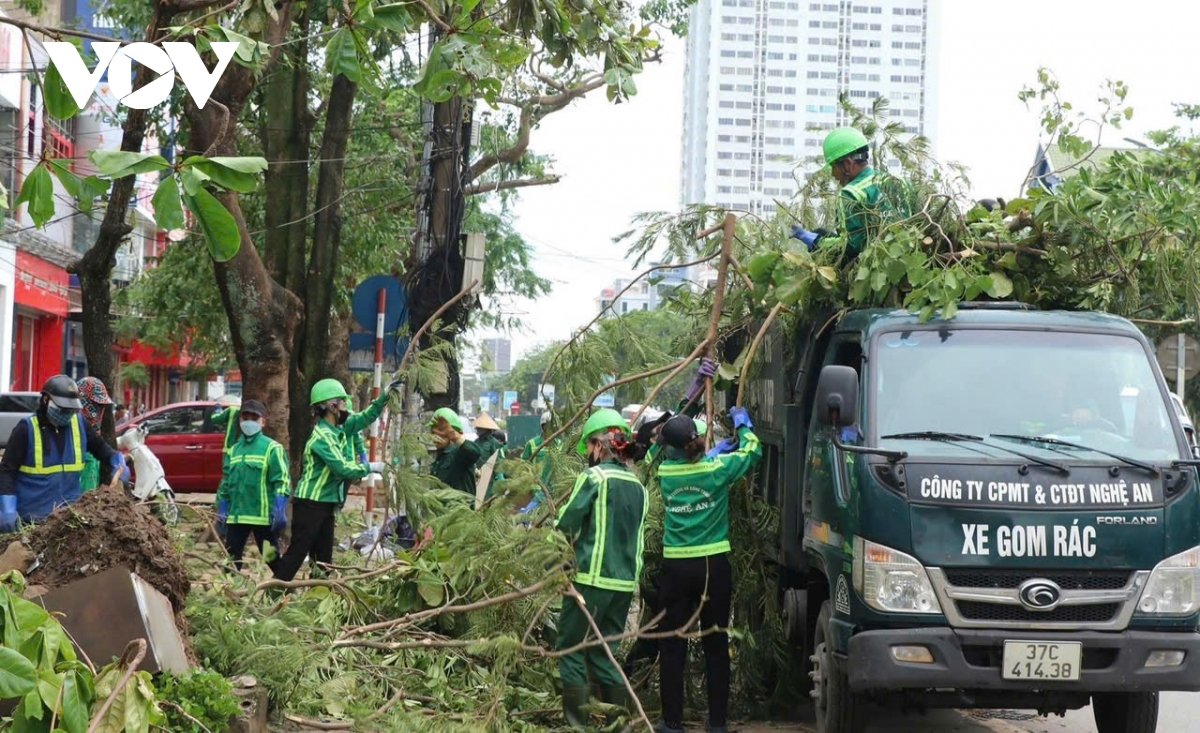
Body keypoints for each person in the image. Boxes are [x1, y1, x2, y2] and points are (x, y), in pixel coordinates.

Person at [653, 407, 763, 733]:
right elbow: (753, 451)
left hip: (677, 567)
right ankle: (717, 723)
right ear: (699, 442)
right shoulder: (718, 468)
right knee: (716, 645)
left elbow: (683, 462)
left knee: (673, 644)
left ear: (670, 450)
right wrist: (743, 427)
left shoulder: (665, 474)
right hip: (713, 566)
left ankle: (672, 722)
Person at [555, 408, 648, 730]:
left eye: (589, 447)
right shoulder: (638, 486)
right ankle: (618, 726)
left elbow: (565, 522)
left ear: (598, 446)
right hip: (623, 585)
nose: (588, 455)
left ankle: (577, 726)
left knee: (570, 650)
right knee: (604, 654)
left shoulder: (594, 477)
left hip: (589, 581)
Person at [271, 378, 394, 581]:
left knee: (323, 560)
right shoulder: (322, 437)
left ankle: (317, 597)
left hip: (325, 504)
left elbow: (365, 417)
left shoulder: (340, 429)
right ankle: (271, 594)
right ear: (332, 406)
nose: (347, 407)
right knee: (297, 554)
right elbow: (342, 468)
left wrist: (384, 397)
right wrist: (371, 467)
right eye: (343, 403)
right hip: (310, 504)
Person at [0, 376, 122, 531]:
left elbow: (103, 450)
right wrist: (7, 508)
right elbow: (6, 471)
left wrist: (116, 459)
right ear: (45, 400)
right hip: (31, 522)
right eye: (62, 409)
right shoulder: (26, 429)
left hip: (67, 523)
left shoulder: (79, 425)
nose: (66, 414)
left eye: (70, 410)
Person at [215, 400, 290, 571]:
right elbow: (226, 482)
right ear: (239, 420)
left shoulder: (272, 448)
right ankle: (230, 593)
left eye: (254, 418)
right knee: (232, 559)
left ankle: (283, 590)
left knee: (271, 558)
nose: (249, 422)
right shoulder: (234, 450)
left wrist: (279, 508)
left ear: (263, 422)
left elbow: (282, 480)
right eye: (245, 417)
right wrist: (222, 508)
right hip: (237, 516)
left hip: (262, 517)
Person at [793, 126, 890, 258]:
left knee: (819, 240)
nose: (833, 174)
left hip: (871, 260)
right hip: (896, 254)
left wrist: (816, 242)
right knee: (821, 232)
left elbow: (851, 245)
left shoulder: (851, 193)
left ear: (848, 163)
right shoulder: (897, 182)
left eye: (833, 166)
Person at [76, 377, 126, 494]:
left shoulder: (94, 438)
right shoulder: (71, 429)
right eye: (97, 405)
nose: (99, 410)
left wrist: (115, 458)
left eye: (101, 406)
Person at [429, 408, 484, 497]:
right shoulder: (440, 458)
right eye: (433, 432)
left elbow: (474, 452)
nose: (435, 437)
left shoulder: (459, 454)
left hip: (458, 509)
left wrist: (455, 437)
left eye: (440, 432)